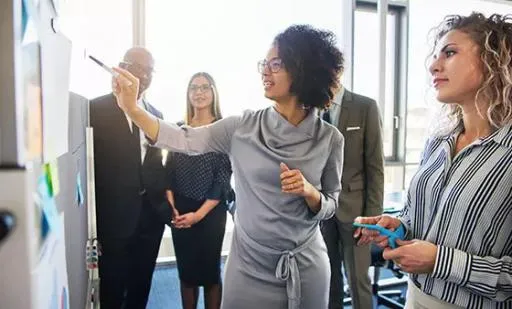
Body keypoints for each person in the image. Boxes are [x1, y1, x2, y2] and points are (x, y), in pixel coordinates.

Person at [112, 25, 345, 309]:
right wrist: (133, 109)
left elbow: (331, 203)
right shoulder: (241, 127)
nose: (265, 71)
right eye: (264, 64)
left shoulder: (330, 139)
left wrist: (310, 192)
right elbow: (181, 138)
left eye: (275, 64)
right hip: (249, 267)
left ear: (302, 69)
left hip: (305, 267)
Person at [355, 12, 512, 309]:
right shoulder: (438, 141)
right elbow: (418, 215)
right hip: (415, 298)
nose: (433, 65)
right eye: (436, 55)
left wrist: (440, 261)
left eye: (450, 53)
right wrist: (398, 226)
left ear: (495, 61)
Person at [90, 47, 165, 309]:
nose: (143, 75)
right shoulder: (94, 109)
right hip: (114, 220)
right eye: (136, 67)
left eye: (149, 70)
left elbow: (154, 165)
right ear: (121, 67)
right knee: (112, 287)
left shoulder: (156, 114)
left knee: (141, 286)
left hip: (150, 219)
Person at [164, 72, 233, 309]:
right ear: (188, 93)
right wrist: (172, 208)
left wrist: (199, 215)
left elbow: (224, 177)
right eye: (194, 88)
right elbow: (169, 172)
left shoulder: (223, 129)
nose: (199, 92)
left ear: (214, 92)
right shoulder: (179, 129)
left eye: (205, 87)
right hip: (180, 210)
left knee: (210, 273)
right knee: (186, 272)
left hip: (211, 211)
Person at [320, 86, 384, 309]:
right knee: (327, 280)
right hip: (320, 209)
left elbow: (375, 168)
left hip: (356, 213)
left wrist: (372, 219)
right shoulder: (309, 106)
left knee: (358, 281)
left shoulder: (365, 106)